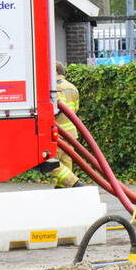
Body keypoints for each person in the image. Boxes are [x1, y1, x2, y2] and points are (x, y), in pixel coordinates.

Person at [52, 61, 83, 189]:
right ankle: (62, 191)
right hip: (71, 132)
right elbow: (75, 109)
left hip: (58, 132)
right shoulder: (72, 87)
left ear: (55, 72)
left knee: (50, 163)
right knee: (66, 163)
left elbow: (57, 111)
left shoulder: (56, 88)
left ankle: (75, 184)